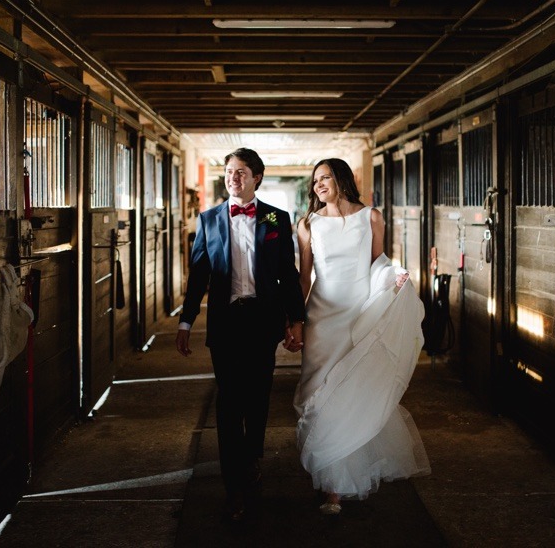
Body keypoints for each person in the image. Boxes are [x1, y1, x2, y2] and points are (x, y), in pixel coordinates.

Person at [286, 158, 431, 515]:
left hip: (359, 314)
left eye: (326, 177)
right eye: (315, 180)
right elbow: (303, 278)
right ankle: (329, 472)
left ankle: (336, 487)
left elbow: (377, 263)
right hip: (322, 319)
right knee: (318, 391)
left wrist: (393, 277)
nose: (319, 185)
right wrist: (294, 320)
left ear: (342, 180)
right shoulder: (308, 225)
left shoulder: (372, 217)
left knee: (352, 389)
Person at [176, 147, 306, 523]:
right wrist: (185, 322)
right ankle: (233, 485)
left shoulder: (276, 219)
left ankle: (253, 457)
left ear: (257, 178)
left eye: (242, 171)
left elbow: (287, 275)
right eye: (230, 171)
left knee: (258, 396)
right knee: (229, 401)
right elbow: (198, 276)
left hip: (263, 323)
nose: (234, 177)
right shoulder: (209, 219)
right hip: (226, 323)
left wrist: (296, 320)